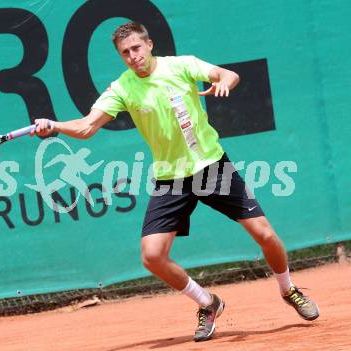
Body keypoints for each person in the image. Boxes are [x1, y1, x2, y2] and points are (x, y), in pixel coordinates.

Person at [32, 21, 319, 342]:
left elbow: (228, 75)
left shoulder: (181, 65)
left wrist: (225, 81)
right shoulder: (122, 88)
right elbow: (86, 127)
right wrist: (54, 125)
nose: (132, 56)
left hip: (212, 166)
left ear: (149, 44)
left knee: (264, 234)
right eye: (125, 53)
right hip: (171, 178)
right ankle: (208, 303)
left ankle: (288, 288)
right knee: (152, 256)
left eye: (136, 48)